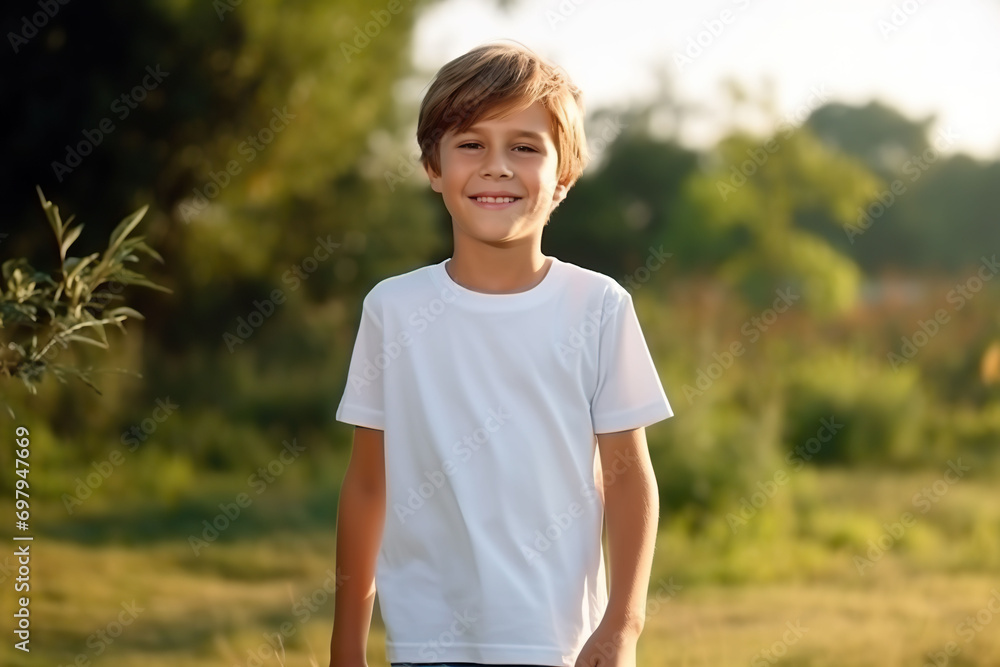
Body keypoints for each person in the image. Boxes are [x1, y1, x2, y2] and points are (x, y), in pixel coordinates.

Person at [330, 40, 673, 667]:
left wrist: (622, 625)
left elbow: (629, 480)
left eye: (524, 146)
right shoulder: (393, 309)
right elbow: (367, 485)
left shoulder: (599, 306)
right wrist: (346, 642)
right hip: (425, 637)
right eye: (470, 144)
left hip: (556, 639)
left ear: (562, 177)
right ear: (433, 168)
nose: (496, 166)